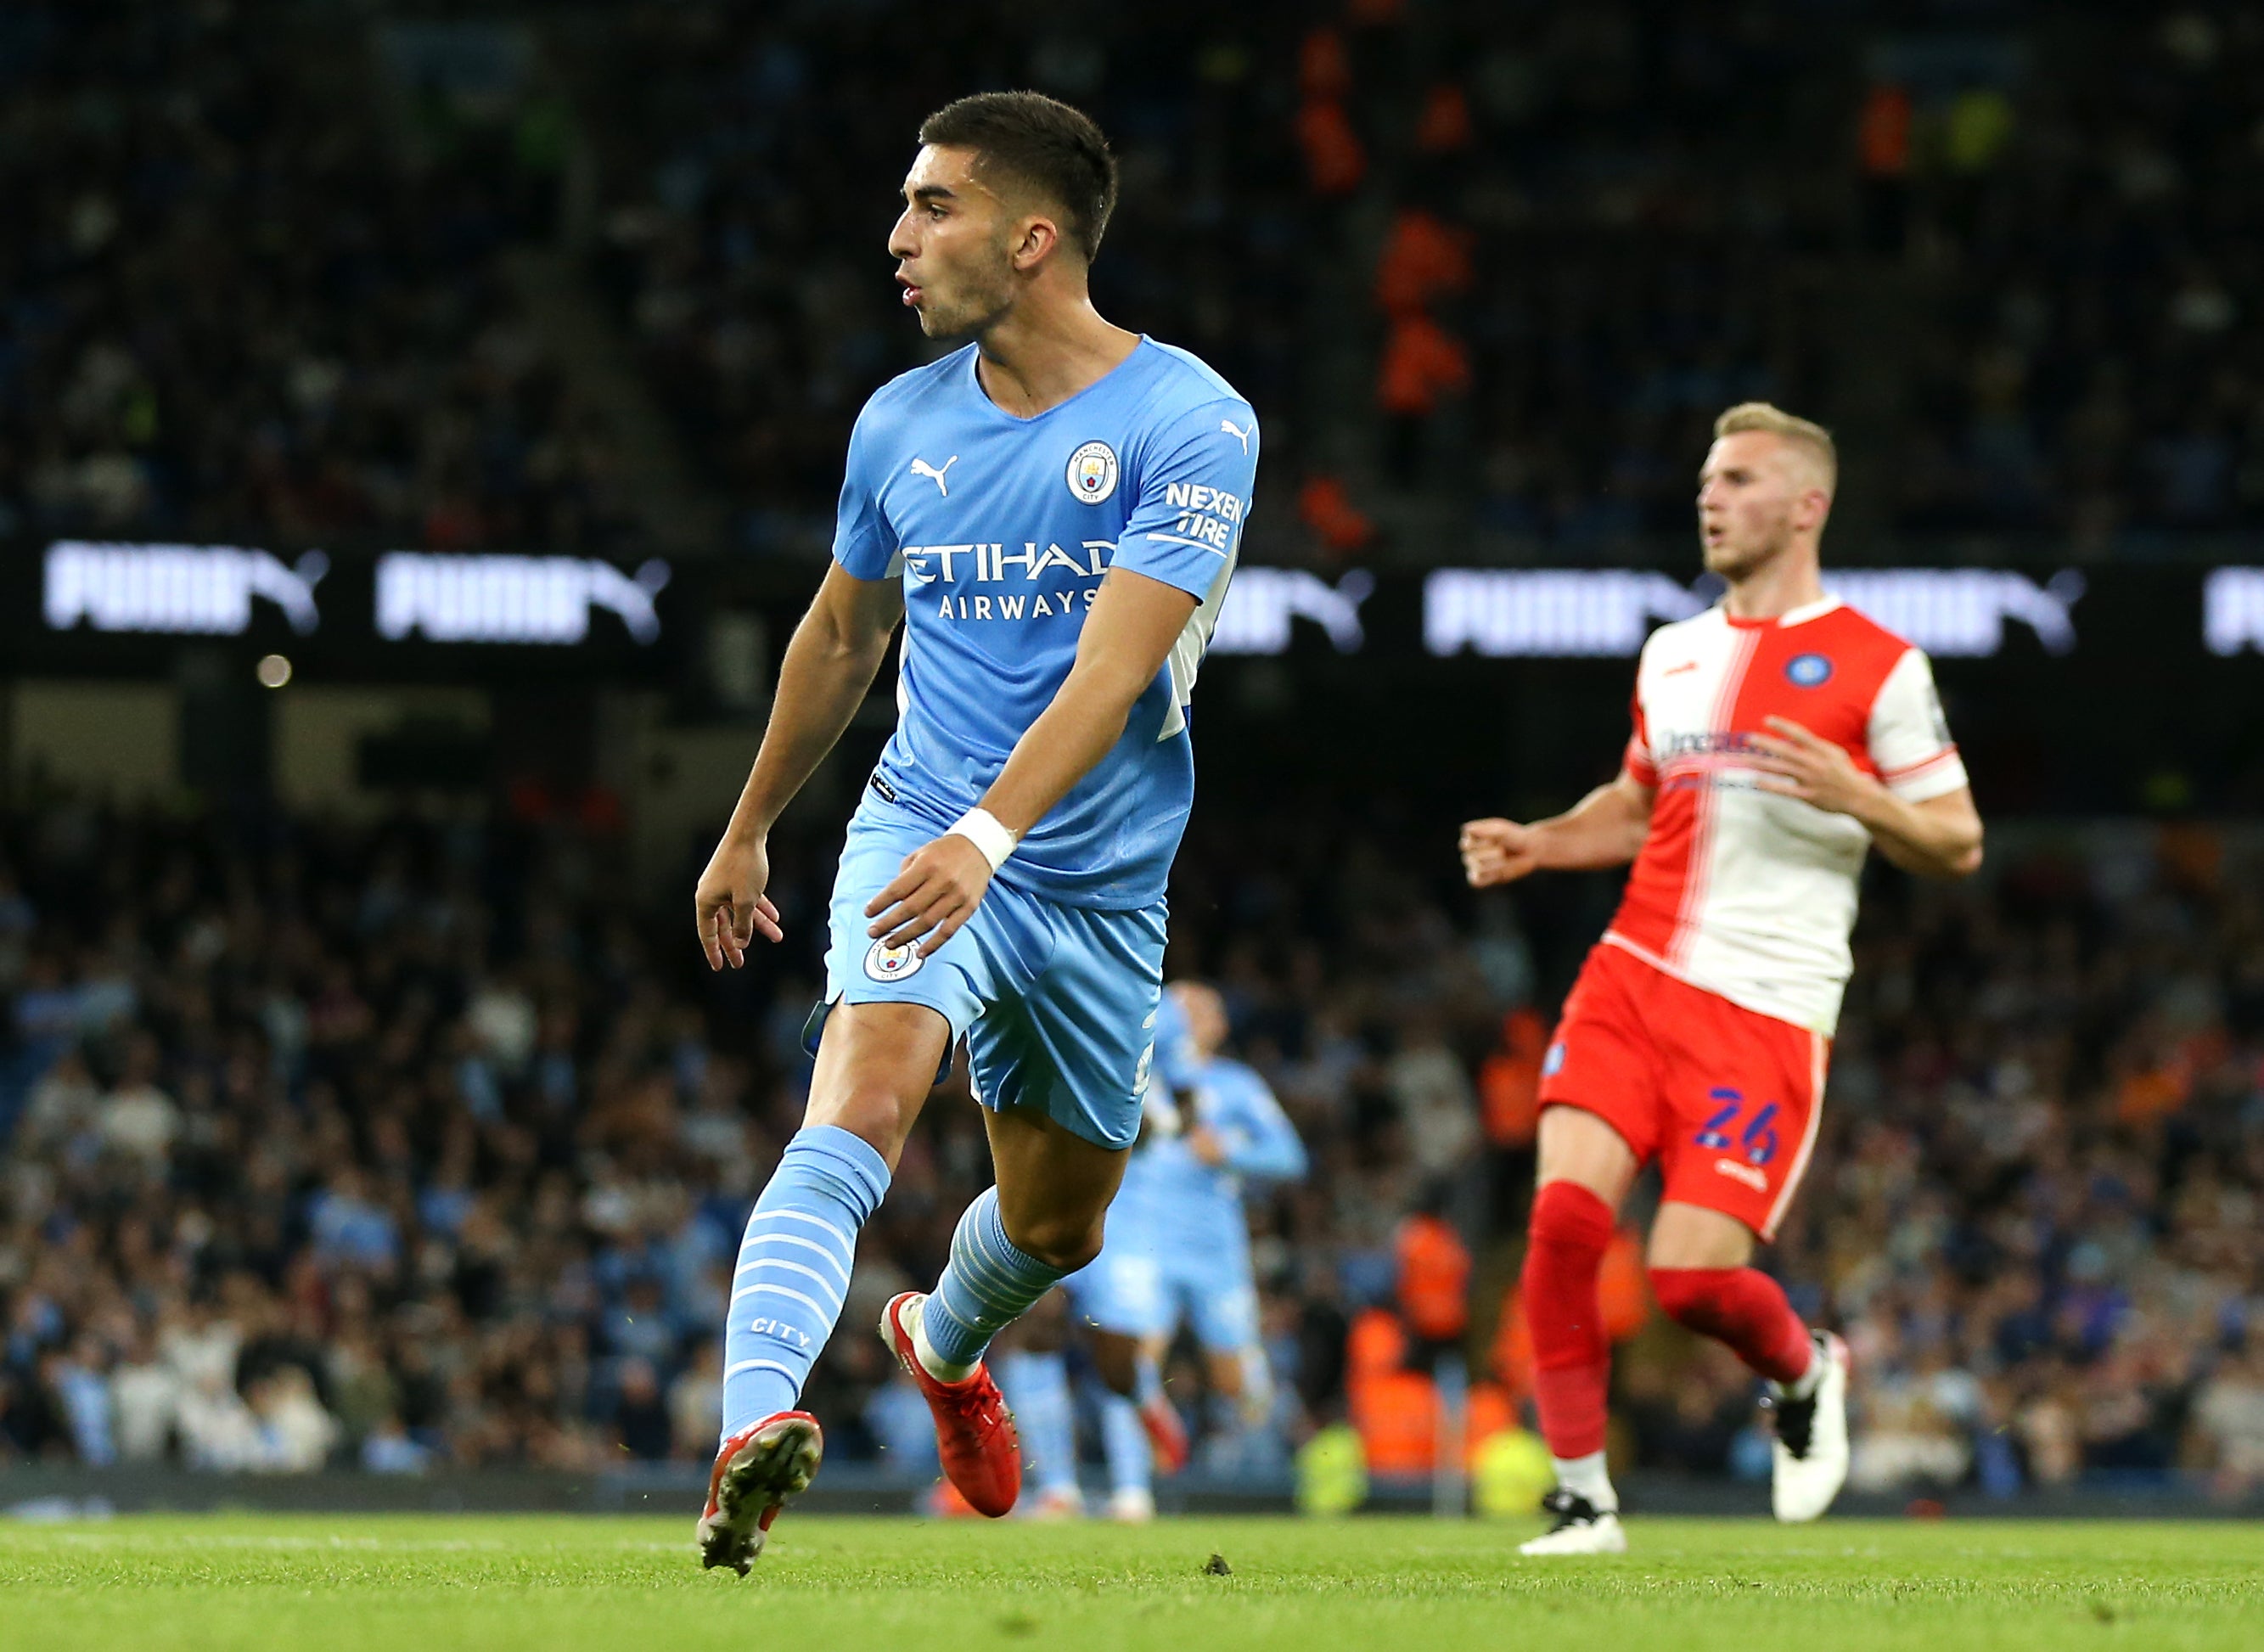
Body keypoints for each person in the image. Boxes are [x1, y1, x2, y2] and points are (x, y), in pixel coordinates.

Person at [689, 90, 1259, 1573]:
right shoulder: (897, 421)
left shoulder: (1189, 420)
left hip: (1086, 876)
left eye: (929, 206)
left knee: (1060, 1227)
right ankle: (751, 1427)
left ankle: (939, 1344)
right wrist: (749, 825)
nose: (896, 238)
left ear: (1030, 238)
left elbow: (1112, 670)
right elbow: (838, 633)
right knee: (861, 1105)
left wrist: (996, 841)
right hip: (922, 825)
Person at [1459, 402, 1982, 1555]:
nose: (1708, 496)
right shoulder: (1672, 650)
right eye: (1705, 477)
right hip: (1630, 976)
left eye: (1737, 478)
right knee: (1558, 1224)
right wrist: (1544, 839)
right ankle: (1582, 1501)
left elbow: (1955, 840)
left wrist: (1858, 798)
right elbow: (1638, 804)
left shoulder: (1876, 666)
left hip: (1763, 1008)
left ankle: (1803, 1371)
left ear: (1805, 505)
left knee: (1690, 1282)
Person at [1072, 981, 1306, 1520]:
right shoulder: (1129, 1074)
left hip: (1214, 1251)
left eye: (1205, 1006)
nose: (1191, 1014)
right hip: (1138, 1239)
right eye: (1180, 1004)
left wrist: (1230, 1151)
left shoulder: (1237, 1085)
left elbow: (1290, 1157)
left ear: (1221, 1024)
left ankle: (1263, 1474)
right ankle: (1133, 1492)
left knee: (1237, 1383)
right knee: (1131, 1356)